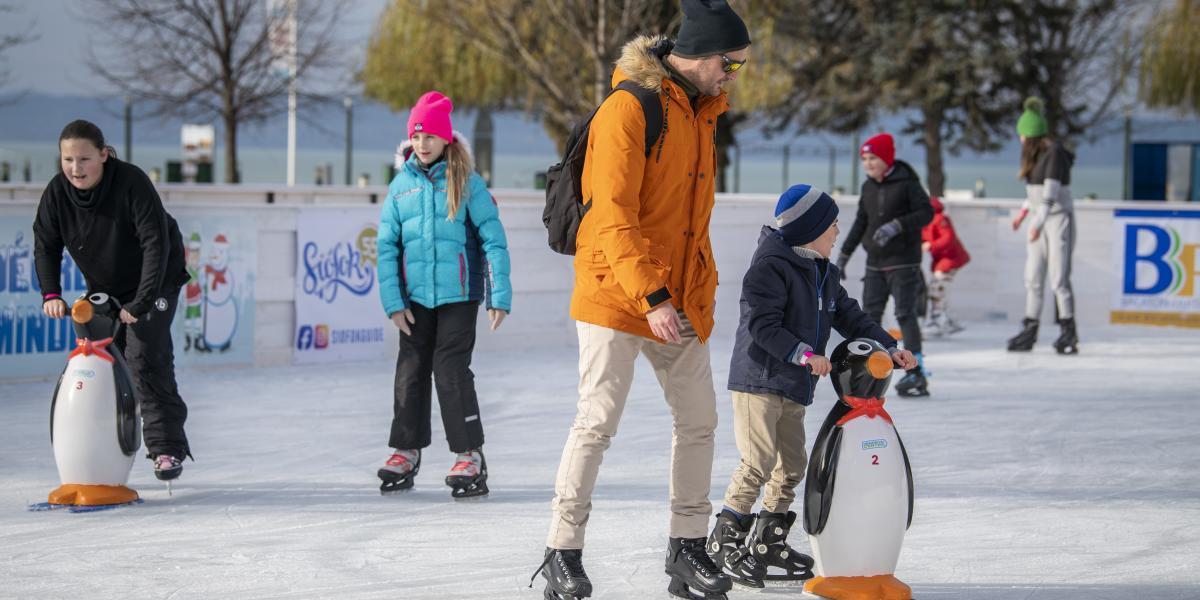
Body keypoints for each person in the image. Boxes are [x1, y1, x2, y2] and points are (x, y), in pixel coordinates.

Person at [533, 2, 750, 599]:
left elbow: (691, 223)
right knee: (597, 422)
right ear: (702, 55)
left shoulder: (705, 114)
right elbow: (612, 218)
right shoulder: (630, 109)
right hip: (617, 295)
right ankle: (562, 551)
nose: (735, 75)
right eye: (731, 64)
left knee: (699, 422)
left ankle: (687, 548)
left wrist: (690, 292)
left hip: (676, 298)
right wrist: (651, 294)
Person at [712, 185, 917, 587]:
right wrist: (804, 354)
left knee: (791, 466)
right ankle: (726, 540)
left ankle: (768, 541)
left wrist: (891, 347)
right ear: (812, 228)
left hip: (792, 383)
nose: (838, 231)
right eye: (832, 224)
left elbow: (852, 317)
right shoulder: (770, 266)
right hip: (759, 380)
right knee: (758, 460)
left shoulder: (823, 270)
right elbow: (761, 324)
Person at [33, 119, 192, 481]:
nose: (76, 168)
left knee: (144, 355)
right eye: (68, 160)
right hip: (106, 283)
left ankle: (166, 448)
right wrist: (51, 293)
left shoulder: (131, 182)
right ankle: (100, 449)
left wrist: (141, 302)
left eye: (85, 159)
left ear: (104, 155)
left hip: (157, 278)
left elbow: (156, 244)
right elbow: (46, 244)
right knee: (101, 356)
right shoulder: (57, 193)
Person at [375, 91, 512, 499]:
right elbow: (387, 248)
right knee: (410, 372)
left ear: (446, 138)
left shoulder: (467, 183)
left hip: (458, 296)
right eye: (416, 136)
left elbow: (493, 240)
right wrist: (393, 302)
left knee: (450, 372)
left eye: (430, 136)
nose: (422, 143)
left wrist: (497, 294)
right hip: (415, 299)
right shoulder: (400, 188)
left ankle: (469, 453)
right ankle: (406, 449)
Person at [836, 132, 933, 397]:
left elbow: (927, 212)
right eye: (864, 159)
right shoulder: (868, 187)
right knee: (869, 316)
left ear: (886, 158)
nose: (868, 164)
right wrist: (844, 254)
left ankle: (916, 372)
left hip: (903, 262)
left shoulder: (907, 183)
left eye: (873, 158)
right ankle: (872, 367)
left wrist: (897, 225)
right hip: (875, 263)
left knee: (905, 314)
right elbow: (860, 223)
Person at [1008, 97, 1078, 354]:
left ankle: (1068, 331)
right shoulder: (1033, 156)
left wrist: (1035, 223)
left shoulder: (1055, 154)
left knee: (1059, 278)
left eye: (1022, 134)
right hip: (1040, 219)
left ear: (1031, 134)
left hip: (1058, 219)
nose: (1020, 139)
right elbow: (1034, 196)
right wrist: (1023, 213)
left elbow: (1049, 197)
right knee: (1033, 277)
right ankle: (1030, 328)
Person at [921, 196, 970, 337]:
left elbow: (948, 238)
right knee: (940, 289)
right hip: (944, 260)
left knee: (937, 288)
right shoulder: (926, 221)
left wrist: (931, 245)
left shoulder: (939, 218)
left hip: (950, 260)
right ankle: (948, 320)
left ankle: (939, 321)